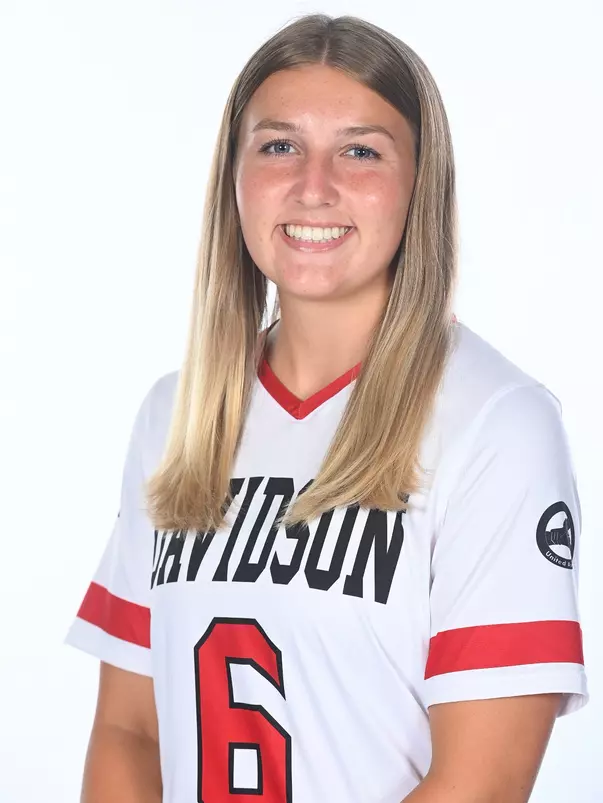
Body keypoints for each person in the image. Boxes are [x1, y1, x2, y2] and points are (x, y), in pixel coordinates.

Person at [65, 12, 588, 803]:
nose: (314, 185)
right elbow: (129, 731)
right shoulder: (179, 415)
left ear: (420, 180)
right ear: (233, 177)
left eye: (360, 150)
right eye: (278, 146)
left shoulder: (496, 423)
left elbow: (481, 782)